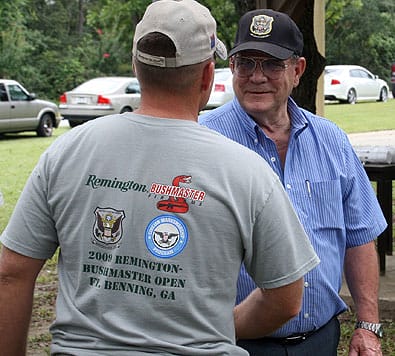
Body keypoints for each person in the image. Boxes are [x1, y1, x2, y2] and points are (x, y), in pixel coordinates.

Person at [0, 2, 320, 355]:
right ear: (207, 75)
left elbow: (11, 272)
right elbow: (287, 299)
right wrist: (217, 327)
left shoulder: (68, 151)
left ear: (137, 68)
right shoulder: (247, 171)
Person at [199, 8, 387, 356]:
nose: (257, 77)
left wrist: (368, 325)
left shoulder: (331, 140)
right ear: (232, 69)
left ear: (298, 70)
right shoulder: (203, 140)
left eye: (271, 64)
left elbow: (360, 237)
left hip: (320, 341)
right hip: (232, 345)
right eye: (246, 63)